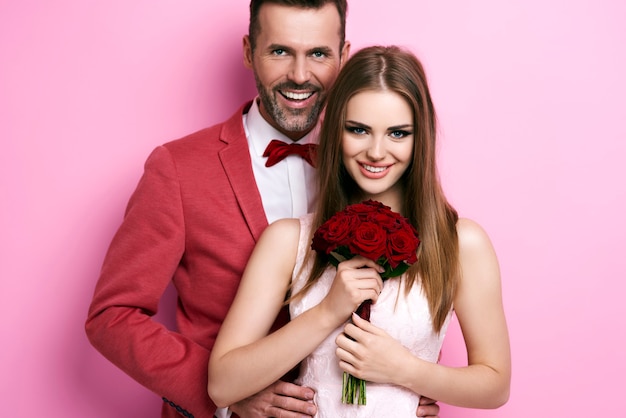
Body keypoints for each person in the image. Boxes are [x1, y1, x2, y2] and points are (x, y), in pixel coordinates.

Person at [85, 1, 442, 417]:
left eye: (319, 54)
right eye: (279, 51)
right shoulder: (178, 169)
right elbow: (112, 316)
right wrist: (225, 395)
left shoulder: (373, 162)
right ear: (248, 51)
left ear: (343, 57)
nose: (299, 75)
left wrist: (399, 392)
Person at [208, 45, 511, 416]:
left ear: (421, 139)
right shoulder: (288, 241)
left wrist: (405, 370)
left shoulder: (462, 243)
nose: (377, 152)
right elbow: (222, 385)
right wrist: (327, 311)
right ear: (336, 130)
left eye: (398, 133)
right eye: (359, 130)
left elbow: (495, 384)